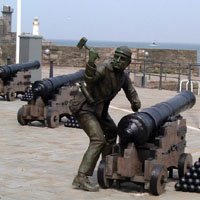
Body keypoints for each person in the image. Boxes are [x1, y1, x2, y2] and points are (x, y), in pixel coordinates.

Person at [69, 46, 141, 192]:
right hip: (85, 107)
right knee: (98, 140)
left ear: (127, 63)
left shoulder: (123, 77)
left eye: (122, 59)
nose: (118, 60)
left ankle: (105, 169)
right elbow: (89, 79)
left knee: (112, 133)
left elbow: (131, 91)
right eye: (116, 57)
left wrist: (135, 102)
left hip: (99, 110)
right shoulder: (104, 68)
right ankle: (81, 177)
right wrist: (90, 62)